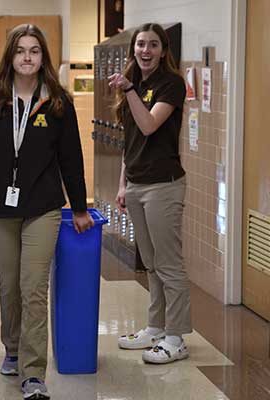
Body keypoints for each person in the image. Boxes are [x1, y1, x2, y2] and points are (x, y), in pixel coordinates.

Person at [0, 24, 94, 399]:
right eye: (20, 50)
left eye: (34, 51)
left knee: (34, 287)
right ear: (10, 56)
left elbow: (71, 158)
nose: (27, 57)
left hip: (43, 207)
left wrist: (80, 207)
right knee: (10, 285)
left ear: (43, 57)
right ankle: (13, 348)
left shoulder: (57, 102)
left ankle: (33, 373)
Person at [108, 22, 191, 364]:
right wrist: (122, 183)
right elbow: (130, 140)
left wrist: (128, 89)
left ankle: (176, 337)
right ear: (134, 49)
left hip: (163, 185)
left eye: (153, 44)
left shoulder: (171, 83)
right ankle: (156, 327)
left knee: (169, 264)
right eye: (141, 44)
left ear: (163, 50)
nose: (146, 50)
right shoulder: (136, 83)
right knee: (152, 264)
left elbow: (148, 125)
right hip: (137, 184)